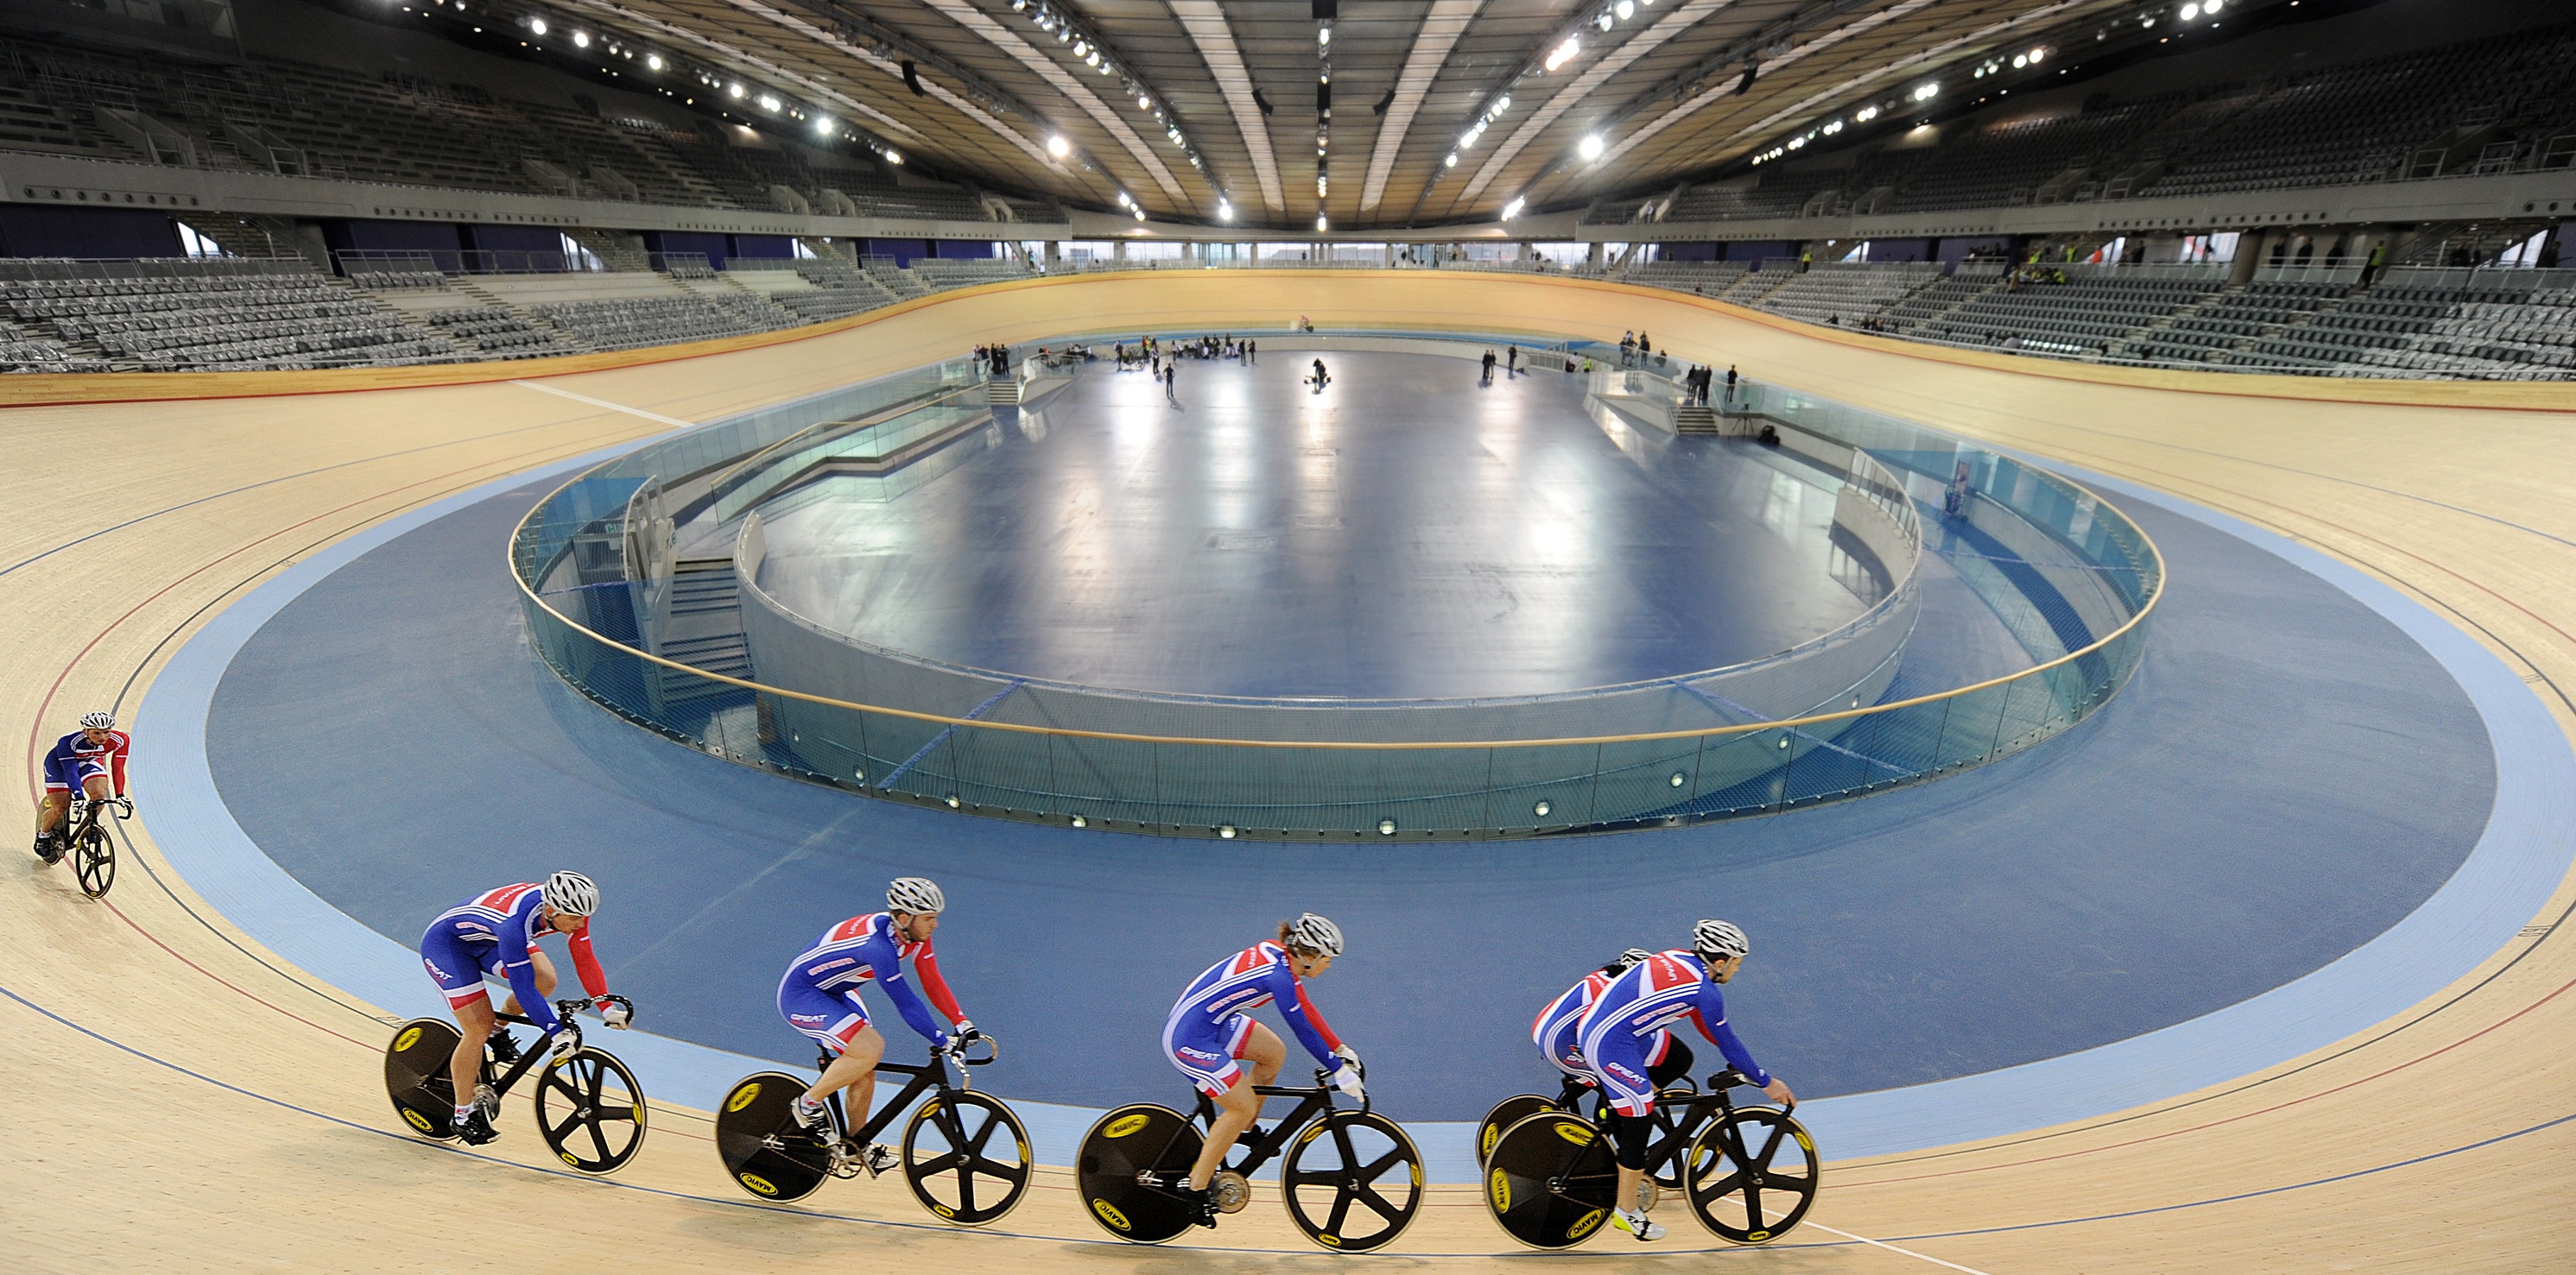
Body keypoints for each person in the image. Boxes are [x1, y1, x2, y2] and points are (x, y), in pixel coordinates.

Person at [1574, 919, 1792, 1242]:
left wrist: (1731, 1058)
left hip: (1613, 1034)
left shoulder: (1676, 957)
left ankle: (1615, 1123)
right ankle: (1626, 1210)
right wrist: (1766, 1081)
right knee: (1640, 1117)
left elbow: (1706, 1026)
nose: (1738, 969)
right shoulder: (1707, 992)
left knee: (1666, 1070)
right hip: (1610, 1043)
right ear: (1720, 963)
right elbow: (1726, 1037)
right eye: (1737, 963)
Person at [1161, 914, 1361, 1228]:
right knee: (1240, 1106)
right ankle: (1196, 1188)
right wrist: (1337, 1069)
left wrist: (1339, 1048)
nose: (1330, 965)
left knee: (1273, 1054)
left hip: (1212, 1022)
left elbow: (1305, 1007)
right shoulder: (1278, 977)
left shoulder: (1281, 954)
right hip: (1189, 1037)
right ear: (1308, 957)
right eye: (1327, 959)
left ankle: (1244, 1130)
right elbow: (1302, 1030)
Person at [775, 877, 975, 1175]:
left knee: (865, 1066)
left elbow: (931, 979)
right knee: (870, 1048)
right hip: (802, 996)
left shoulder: (912, 933)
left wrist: (962, 1023)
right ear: (905, 918)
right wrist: (941, 1040)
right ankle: (806, 1106)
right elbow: (905, 1001)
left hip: (836, 991)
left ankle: (857, 1144)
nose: (935, 925)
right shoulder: (878, 947)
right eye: (930, 919)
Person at [417, 871, 628, 1146]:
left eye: (583, 917)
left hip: (487, 940)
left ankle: (498, 1031)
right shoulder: (514, 924)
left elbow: (585, 960)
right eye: (574, 918)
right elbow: (523, 988)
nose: (580, 924)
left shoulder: (573, 909)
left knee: (547, 979)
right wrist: (555, 1030)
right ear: (551, 910)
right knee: (477, 1028)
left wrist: (607, 1007)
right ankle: (462, 1117)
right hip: (448, 948)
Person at [1531, 949, 1656, 1088]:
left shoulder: (1604, 975)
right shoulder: (1615, 992)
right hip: (1560, 1042)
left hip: (1549, 1030)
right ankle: (1611, 1109)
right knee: (1618, 1082)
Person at [35, 710, 129, 862]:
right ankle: (43, 835)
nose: (102, 737)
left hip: (89, 761)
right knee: (61, 807)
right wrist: (79, 796)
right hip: (59, 766)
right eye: (96, 733)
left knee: (99, 795)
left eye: (106, 732)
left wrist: (120, 795)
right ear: (85, 731)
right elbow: (71, 771)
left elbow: (118, 768)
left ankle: (90, 826)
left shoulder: (121, 740)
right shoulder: (67, 742)